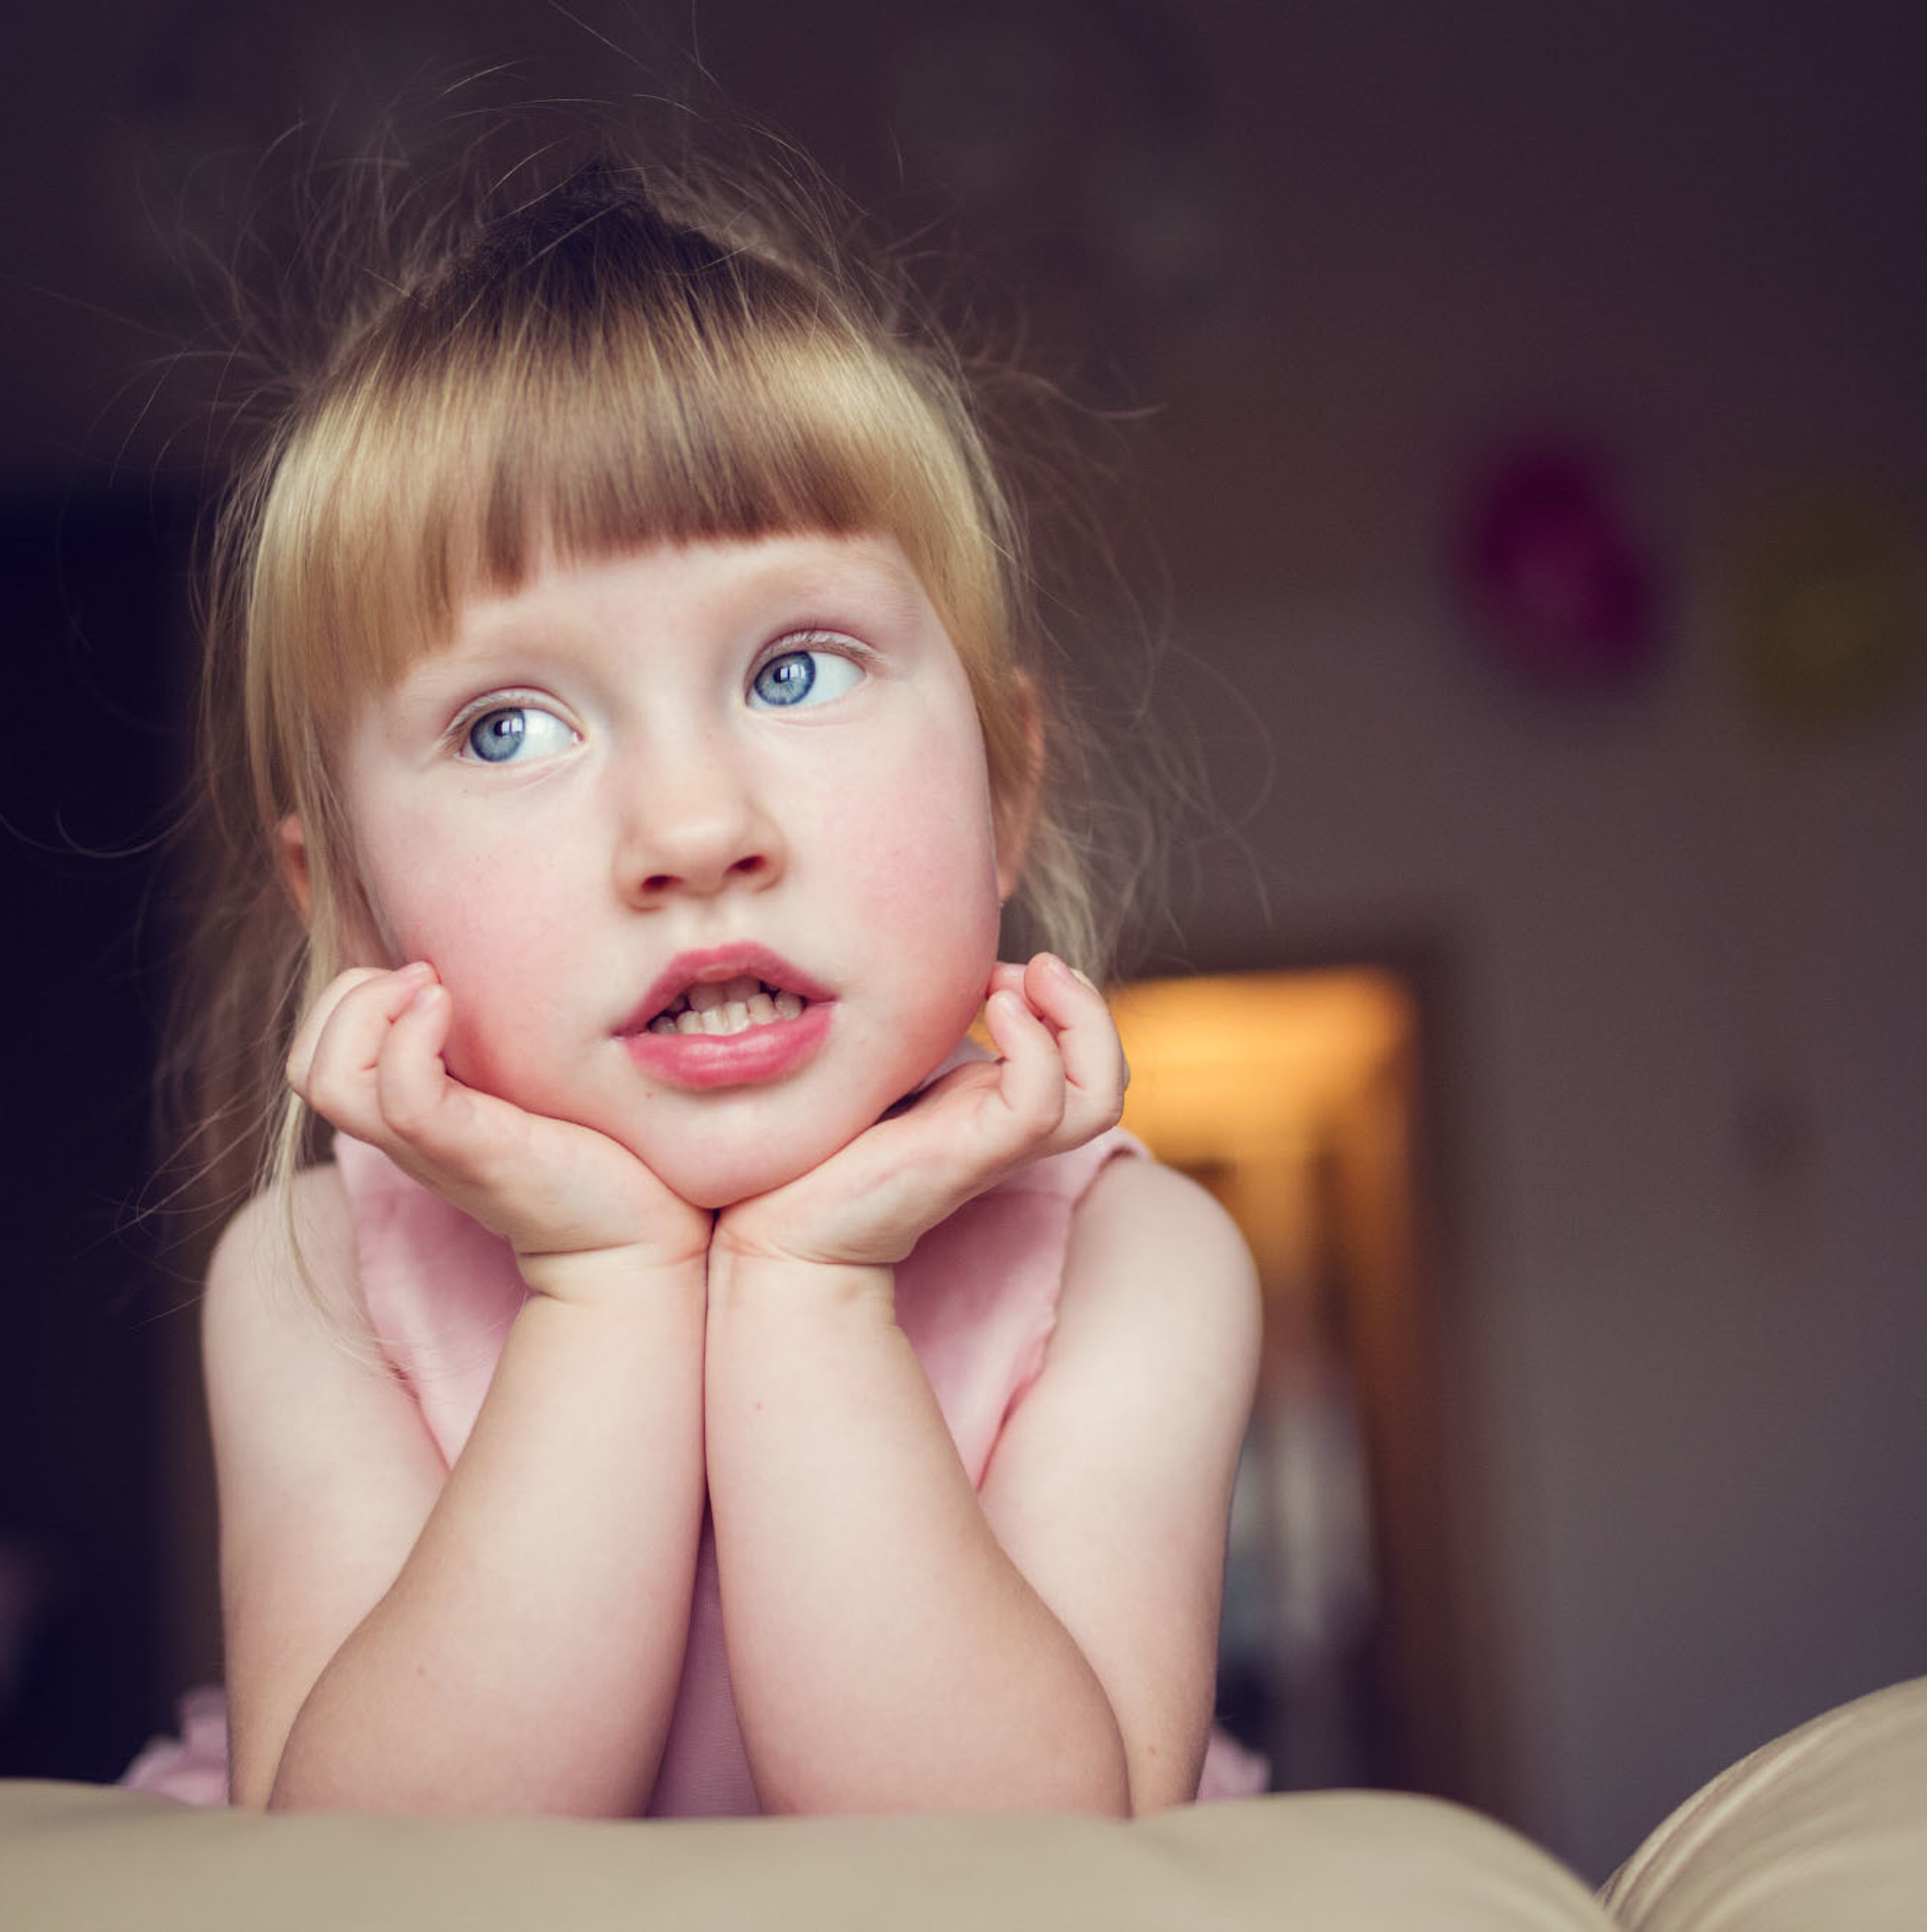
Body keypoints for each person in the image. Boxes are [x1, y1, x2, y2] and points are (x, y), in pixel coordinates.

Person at [126, 129, 1264, 1818]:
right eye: (508, 728)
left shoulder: (1129, 1260)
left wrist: (812, 1288)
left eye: (796, 669)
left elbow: (1022, 1867)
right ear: (351, 904)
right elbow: (379, 1876)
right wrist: (600, 1282)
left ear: (1007, 792)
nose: (693, 828)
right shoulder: (315, 1280)